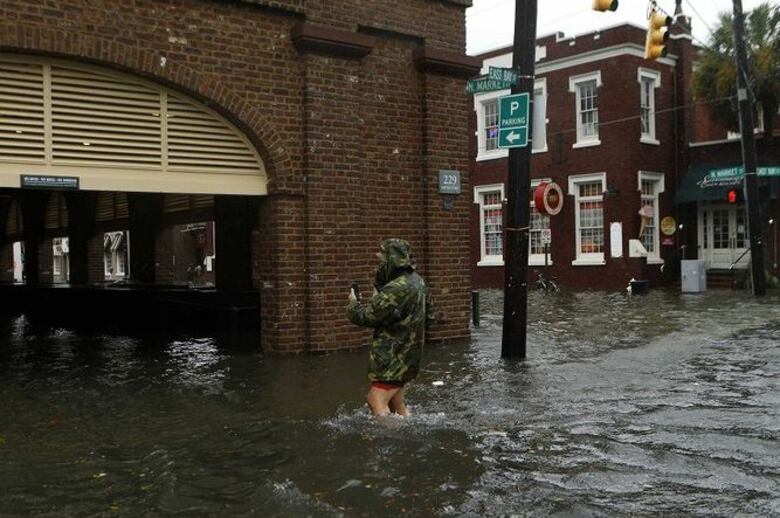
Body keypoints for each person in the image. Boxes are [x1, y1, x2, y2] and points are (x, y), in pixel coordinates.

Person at [347, 238, 433, 417]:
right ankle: (407, 434)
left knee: (375, 399)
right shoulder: (419, 282)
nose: (379, 260)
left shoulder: (396, 288)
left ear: (392, 258)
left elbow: (367, 316)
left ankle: (387, 439)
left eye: (382, 257)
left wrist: (353, 303)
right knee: (396, 402)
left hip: (392, 356)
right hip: (411, 355)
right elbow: (430, 317)